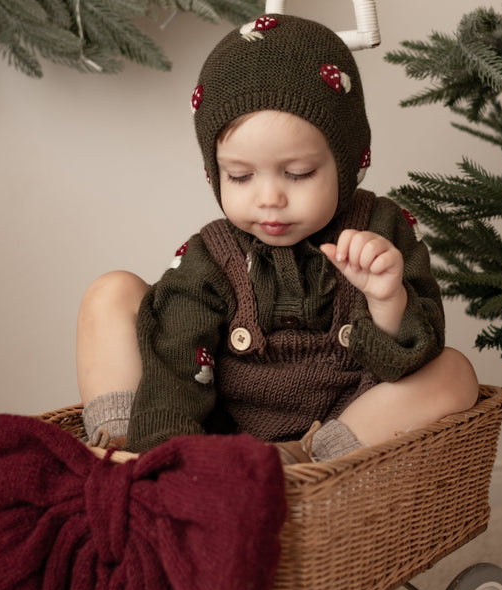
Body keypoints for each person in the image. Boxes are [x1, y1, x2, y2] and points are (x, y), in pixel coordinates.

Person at [76, 13, 479, 464]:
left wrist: (388, 302)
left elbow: (413, 359)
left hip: (345, 426)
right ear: (215, 173)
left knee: (454, 373)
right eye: (241, 176)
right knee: (111, 291)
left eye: (298, 173)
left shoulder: (381, 230)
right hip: (223, 441)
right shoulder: (210, 257)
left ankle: (307, 463)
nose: (270, 198)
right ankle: (124, 454)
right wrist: (169, 453)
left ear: (346, 162)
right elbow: (175, 361)